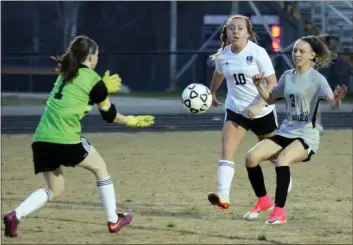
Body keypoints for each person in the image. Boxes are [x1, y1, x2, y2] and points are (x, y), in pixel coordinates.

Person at [3, 35, 155, 237]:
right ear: (91, 56)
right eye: (97, 55)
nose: (98, 59)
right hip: (65, 139)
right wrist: (131, 120)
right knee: (101, 168)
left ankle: (15, 215)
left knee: (55, 189)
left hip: (41, 139)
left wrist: (102, 89)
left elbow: (77, 96)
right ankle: (113, 220)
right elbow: (108, 115)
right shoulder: (93, 80)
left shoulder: (64, 75)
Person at [243, 35, 347, 224]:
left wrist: (338, 98)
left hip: (306, 135)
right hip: (285, 131)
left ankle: (279, 212)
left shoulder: (318, 79)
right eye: (294, 51)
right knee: (251, 158)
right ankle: (264, 201)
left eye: (301, 51)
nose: (297, 54)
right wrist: (259, 85)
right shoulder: (287, 76)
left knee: (282, 160)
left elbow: (334, 103)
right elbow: (270, 99)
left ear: (312, 55)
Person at [207, 14, 283, 210]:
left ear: (248, 33)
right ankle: (223, 195)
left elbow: (273, 83)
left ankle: (284, 179)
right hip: (236, 110)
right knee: (227, 151)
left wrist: (258, 105)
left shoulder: (258, 53)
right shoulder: (223, 55)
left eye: (240, 28)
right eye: (231, 28)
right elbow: (218, 74)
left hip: (262, 111)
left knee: (274, 156)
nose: (235, 31)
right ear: (227, 32)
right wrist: (212, 92)